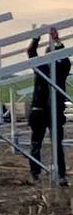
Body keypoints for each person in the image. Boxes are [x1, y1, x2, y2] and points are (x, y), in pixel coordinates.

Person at [27, 28, 71, 186]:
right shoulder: (42, 68)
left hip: (55, 111)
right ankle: (35, 173)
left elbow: (65, 60)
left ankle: (60, 175)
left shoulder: (61, 69)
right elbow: (31, 52)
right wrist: (36, 38)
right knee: (36, 143)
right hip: (39, 110)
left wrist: (58, 42)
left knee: (56, 144)